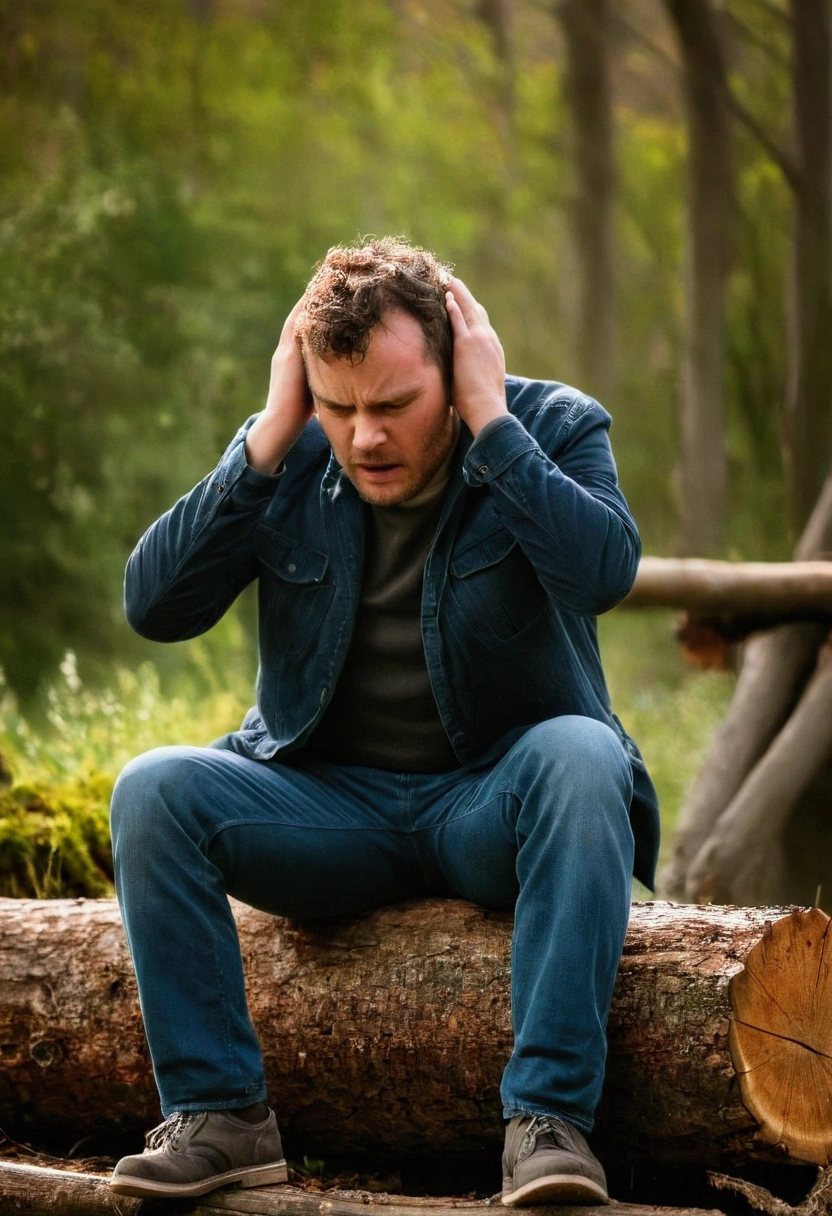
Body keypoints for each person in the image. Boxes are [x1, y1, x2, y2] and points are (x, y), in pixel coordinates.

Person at [108, 238, 659, 1206]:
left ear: (453, 367)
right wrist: (271, 434)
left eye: (392, 405)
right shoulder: (290, 449)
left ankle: (547, 1124)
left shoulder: (550, 425)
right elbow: (153, 605)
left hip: (495, 800)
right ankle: (221, 1115)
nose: (363, 436)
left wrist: (493, 425)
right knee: (153, 788)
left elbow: (602, 572)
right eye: (338, 404)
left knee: (584, 753)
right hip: (330, 809)